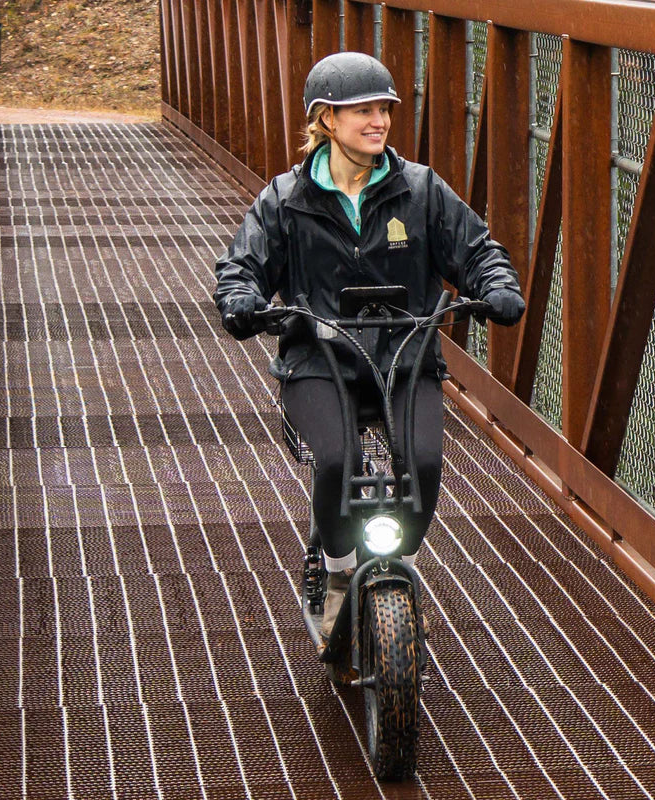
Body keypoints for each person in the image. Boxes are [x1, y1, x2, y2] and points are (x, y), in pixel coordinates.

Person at [214, 52, 524, 639]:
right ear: (326, 119)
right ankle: (335, 574)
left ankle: (400, 571)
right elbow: (242, 266)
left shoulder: (422, 190)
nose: (378, 120)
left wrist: (498, 287)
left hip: (405, 357)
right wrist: (241, 300)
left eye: (384, 108)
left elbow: (478, 250)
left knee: (424, 464)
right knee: (337, 462)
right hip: (318, 359)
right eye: (363, 110)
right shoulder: (285, 200)